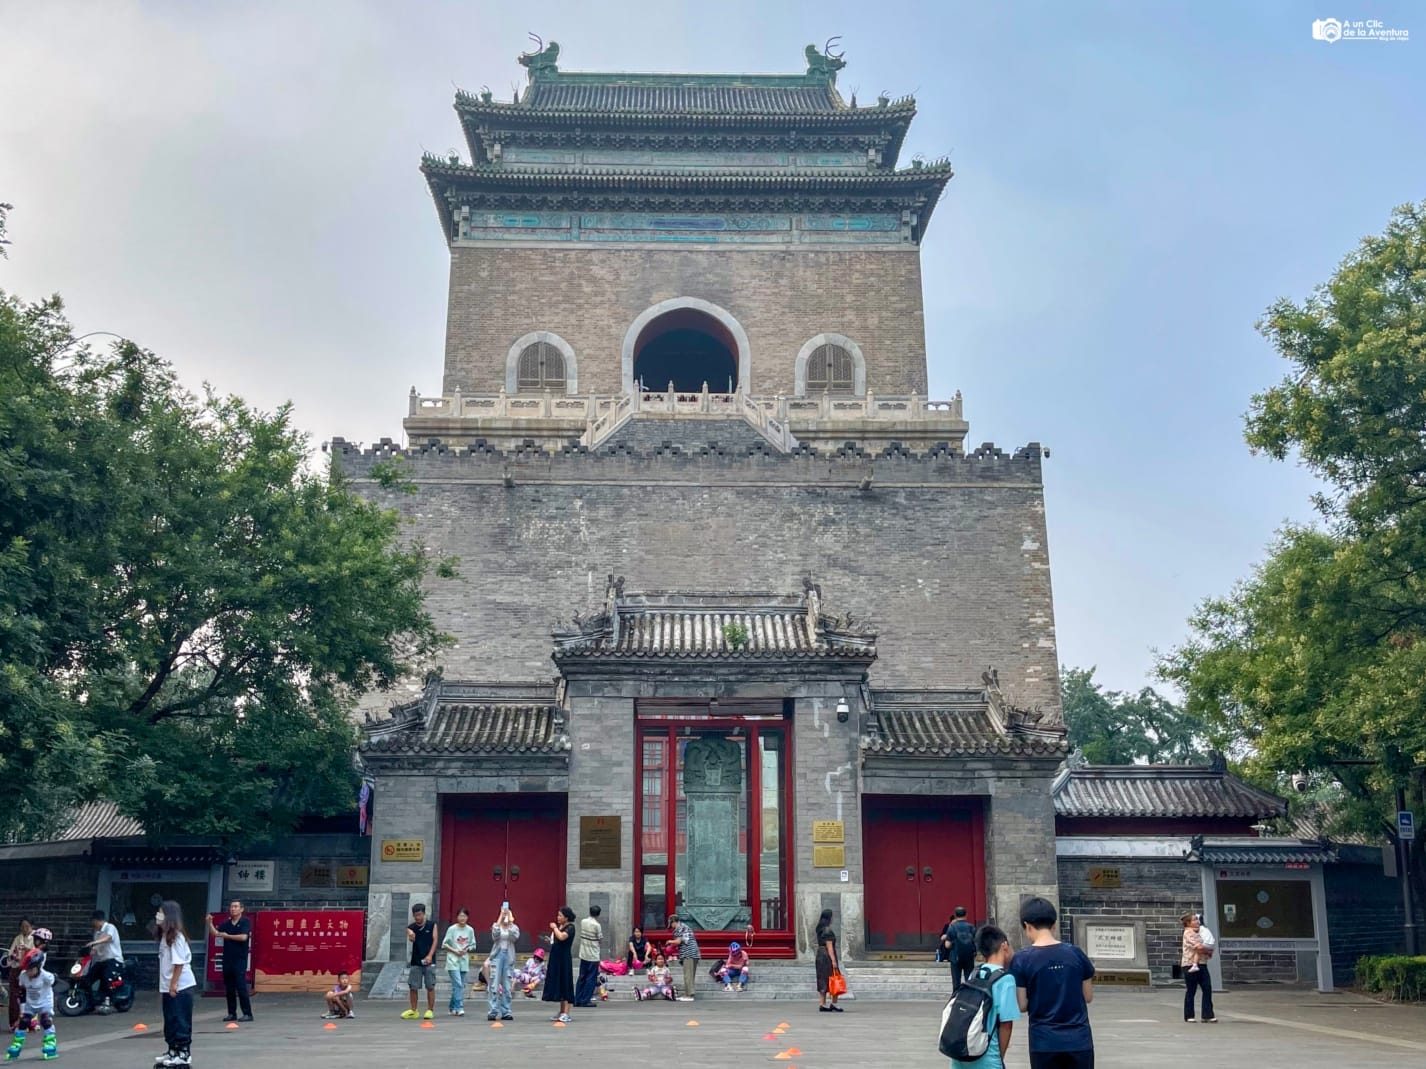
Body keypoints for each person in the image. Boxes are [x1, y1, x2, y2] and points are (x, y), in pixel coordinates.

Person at [1009, 896, 1095, 1069]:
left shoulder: (1021, 960)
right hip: (1079, 1040)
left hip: (1043, 1042)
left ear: (1027, 926)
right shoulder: (1076, 953)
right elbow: (1088, 996)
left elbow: (1023, 1005)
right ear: (1054, 924)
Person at [951, 926, 1022, 1069]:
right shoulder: (1006, 979)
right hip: (987, 1056)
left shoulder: (975, 973)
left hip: (962, 1052)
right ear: (1004, 946)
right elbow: (1006, 1025)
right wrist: (999, 1058)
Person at [155, 900, 197, 1069]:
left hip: (181, 986)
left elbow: (178, 964)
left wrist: (173, 985)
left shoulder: (177, 937)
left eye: (160, 913)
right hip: (168, 986)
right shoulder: (166, 936)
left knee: (180, 1020)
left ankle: (183, 1053)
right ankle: (172, 1050)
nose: (157, 916)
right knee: (170, 1020)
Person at [206, 900, 253, 1023]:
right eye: (231, 907)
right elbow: (216, 933)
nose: (233, 909)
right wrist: (209, 923)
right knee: (229, 988)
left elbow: (243, 937)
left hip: (240, 959)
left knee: (241, 986)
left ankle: (247, 1013)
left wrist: (227, 936)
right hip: (227, 958)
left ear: (241, 909)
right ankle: (232, 1013)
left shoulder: (245, 921)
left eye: (236, 907)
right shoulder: (227, 923)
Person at [6, 950, 56, 1061]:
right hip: (31, 1004)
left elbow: (54, 983)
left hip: (45, 1003)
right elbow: (22, 989)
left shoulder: (46, 976)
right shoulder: (23, 976)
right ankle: (16, 1045)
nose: (29, 972)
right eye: (27, 970)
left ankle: (50, 1044)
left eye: (31, 970)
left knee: (45, 1020)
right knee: (24, 1021)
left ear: (38, 967)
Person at [401, 903, 438, 1020]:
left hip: (429, 960)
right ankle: (413, 1010)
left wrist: (430, 955)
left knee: (430, 986)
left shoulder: (432, 925)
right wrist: (410, 935)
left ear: (424, 914)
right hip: (416, 960)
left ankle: (430, 1010)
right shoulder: (411, 927)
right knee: (413, 986)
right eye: (415, 915)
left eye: (420, 914)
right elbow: (411, 937)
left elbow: (435, 940)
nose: (418, 917)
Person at [85, 909, 126, 1015]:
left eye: (93, 921)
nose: (92, 924)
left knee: (106, 978)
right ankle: (89, 1003)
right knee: (88, 978)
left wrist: (94, 942)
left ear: (96, 920)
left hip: (113, 959)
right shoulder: (97, 933)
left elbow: (108, 938)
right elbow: (94, 950)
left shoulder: (110, 927)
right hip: (102, 960)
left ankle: (107, 1002)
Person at [1180, 911, 1217, 1024]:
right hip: (1190, 964)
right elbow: (1199, 947)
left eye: (1197, 919)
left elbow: (1205, 946)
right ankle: (1189, 1015)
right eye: (1194, 920)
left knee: (1207, 988)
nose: (1197, 922)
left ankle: (1207, 1014)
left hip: (1202, 963)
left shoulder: (1200, 931)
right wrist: (1208, 949)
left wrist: (1208, 949)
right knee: (1191, 990)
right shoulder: (1188, 933)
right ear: (1188, 923)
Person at [542, 906, 576, 1023]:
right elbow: (556, 941)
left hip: (564, 959)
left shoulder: (570, 927)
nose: (558, 918)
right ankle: (561, 1011)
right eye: (558, 915)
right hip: (556, 958)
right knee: (560, 984)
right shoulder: (560, 927)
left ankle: (567, 1012)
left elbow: (562, 937)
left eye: (560, 915)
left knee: (566, 983)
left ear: (566, 917)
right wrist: (550, 940)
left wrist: (555, 928)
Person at [487, 906, 520, 1022]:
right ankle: (493, 1010)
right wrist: (500, 917)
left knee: (507, 984)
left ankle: (506, 1011)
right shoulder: (497, 926)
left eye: (507, 914)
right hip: (497, 956)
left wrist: (510, 922)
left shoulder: (514, 927)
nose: (506, 916)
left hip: (508, 956)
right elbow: (495, 935)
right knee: (494, 984)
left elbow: (514, 937)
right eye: (504, 914)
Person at [441, 908, 475, 1017]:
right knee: (458, 984)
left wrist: (467, 949)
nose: (462, 918)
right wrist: (455, 951)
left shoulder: (470, 930)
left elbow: (473, 944)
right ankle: (459, 1007)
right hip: (453, 960)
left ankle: (452, 1007)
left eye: (464, 916)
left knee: (458, 986)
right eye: (460, 916)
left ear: (467, 917)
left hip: (464, 960)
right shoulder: (452, 929)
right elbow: (444, 944)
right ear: (457, 917)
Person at [573, 904, 603, 1008]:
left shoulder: (583, 922)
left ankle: (577, 999)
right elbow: (600, 939)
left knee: (581, 977)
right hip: (593, 956)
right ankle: (585, 1000)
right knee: (591, 979)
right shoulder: (597, 925)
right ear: (598, 914)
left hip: (583, 954)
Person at [6, 920, 32, 1031]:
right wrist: (14, 956)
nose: (24, 929)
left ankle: (28, 1022)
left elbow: (37, 953)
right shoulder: (18, 938)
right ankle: (14, 1022)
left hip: (29, 970)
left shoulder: (34, 938)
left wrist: (27, 951)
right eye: (22, 926)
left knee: (27, 996)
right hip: (16, 968)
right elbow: (10, 953)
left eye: (27, 926)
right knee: (14, 995)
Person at [814, 909, 843, 1013]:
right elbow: (829, 946)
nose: (833, 919)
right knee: (834, 977)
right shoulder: (827, 930)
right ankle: (834, 1003)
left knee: (822, 978)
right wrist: (834, 961)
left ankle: (822, 1003)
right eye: (832, 916)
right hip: (827, 956)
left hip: (820, 955)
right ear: (829, 918)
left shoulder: (819, 929)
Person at [669, 913, 701, 1003]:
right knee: (690, 975)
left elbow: (678, 941)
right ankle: (688, 993)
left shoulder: (679, 928)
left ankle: (689, 995)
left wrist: (669, 942)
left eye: (671, 924)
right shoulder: (685, 926)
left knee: (688, 975)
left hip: (688, 954)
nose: (671, 926)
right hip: (694, 953)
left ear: (674, 922)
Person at [946, 906, 978, 992]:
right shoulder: (971, 927)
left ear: (955, 915)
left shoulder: (952, 927)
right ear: (966, 915)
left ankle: (956, 997)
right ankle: (969, 997)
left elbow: (947, 945)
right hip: (969, 957)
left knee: (956, 980)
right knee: (969, 979)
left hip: (955, 957)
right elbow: (976, 941)